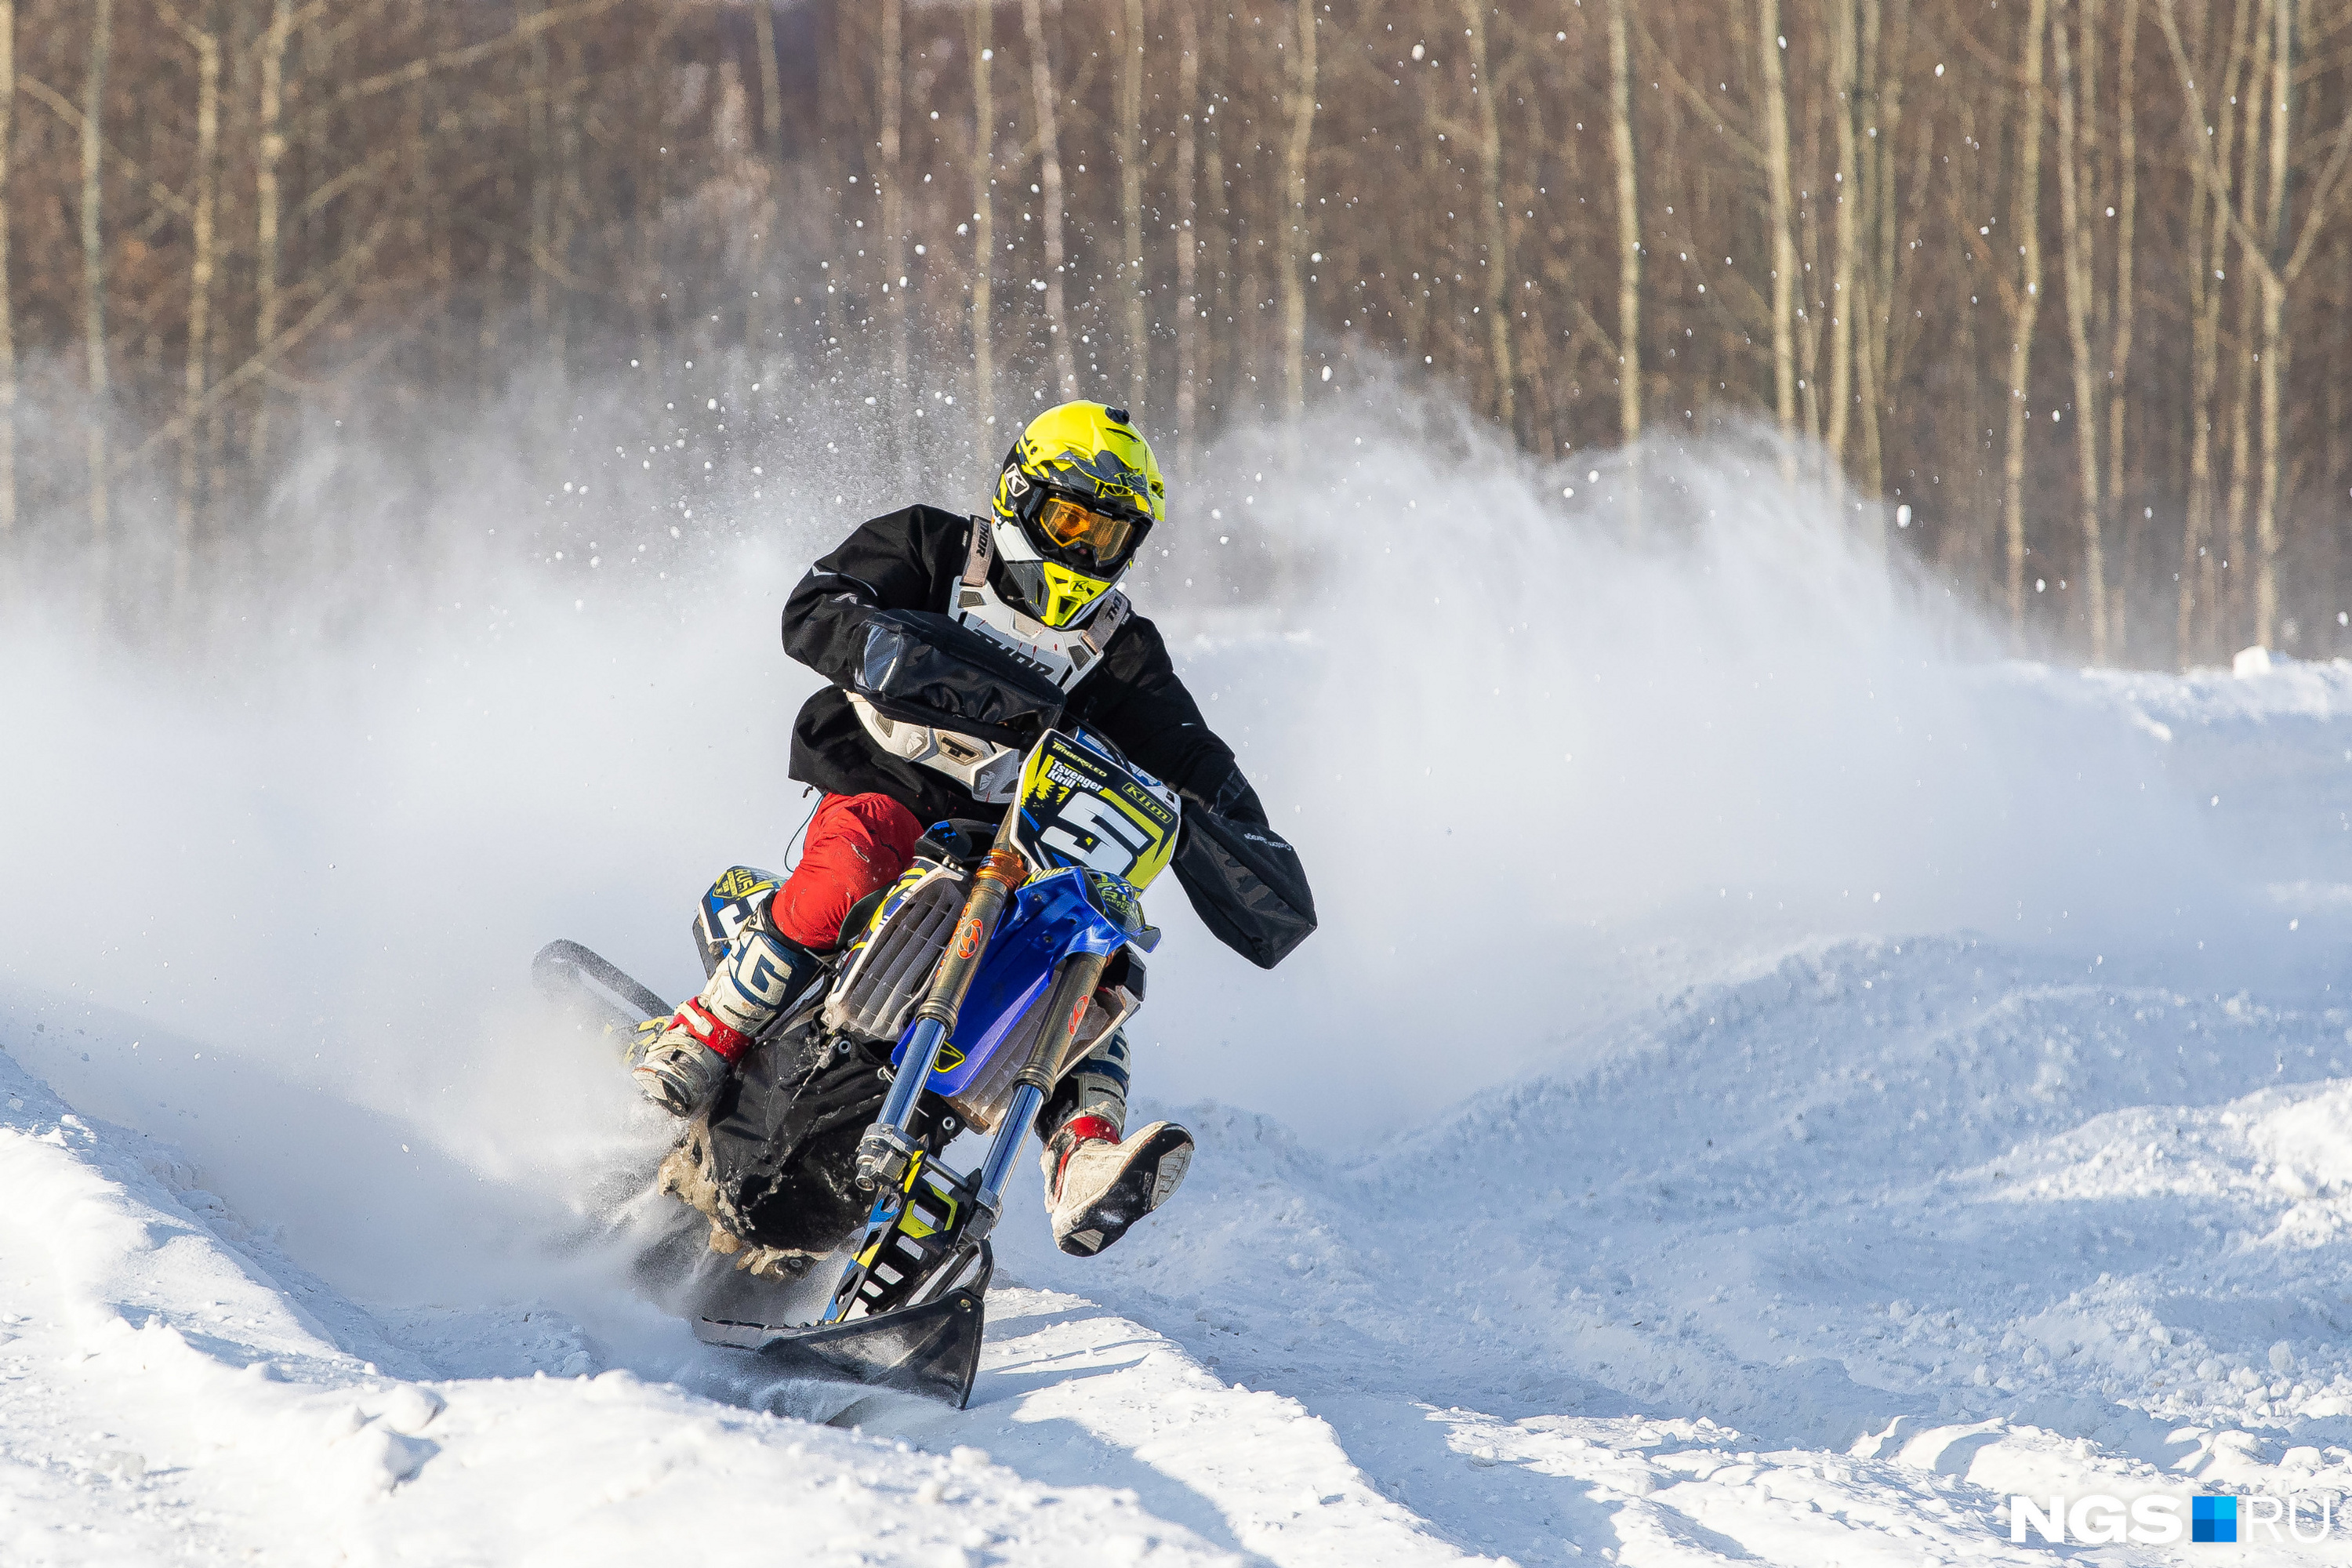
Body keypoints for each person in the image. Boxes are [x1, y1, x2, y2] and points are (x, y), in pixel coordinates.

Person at [633, 401, 1316, 1256]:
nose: (1082, 550)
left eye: (1107, 537)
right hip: (887, 784)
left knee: (1094, 953)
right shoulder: (931, 546)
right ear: (1022, 498)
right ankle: (710, 1026)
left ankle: (1083, 1155)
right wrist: (913, 656)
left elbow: (1196, 760)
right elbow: (817, 606)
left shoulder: (1122, 649)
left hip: (1017, 843)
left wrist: (1235, 837)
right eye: (1069, 520)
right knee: (855, 860)